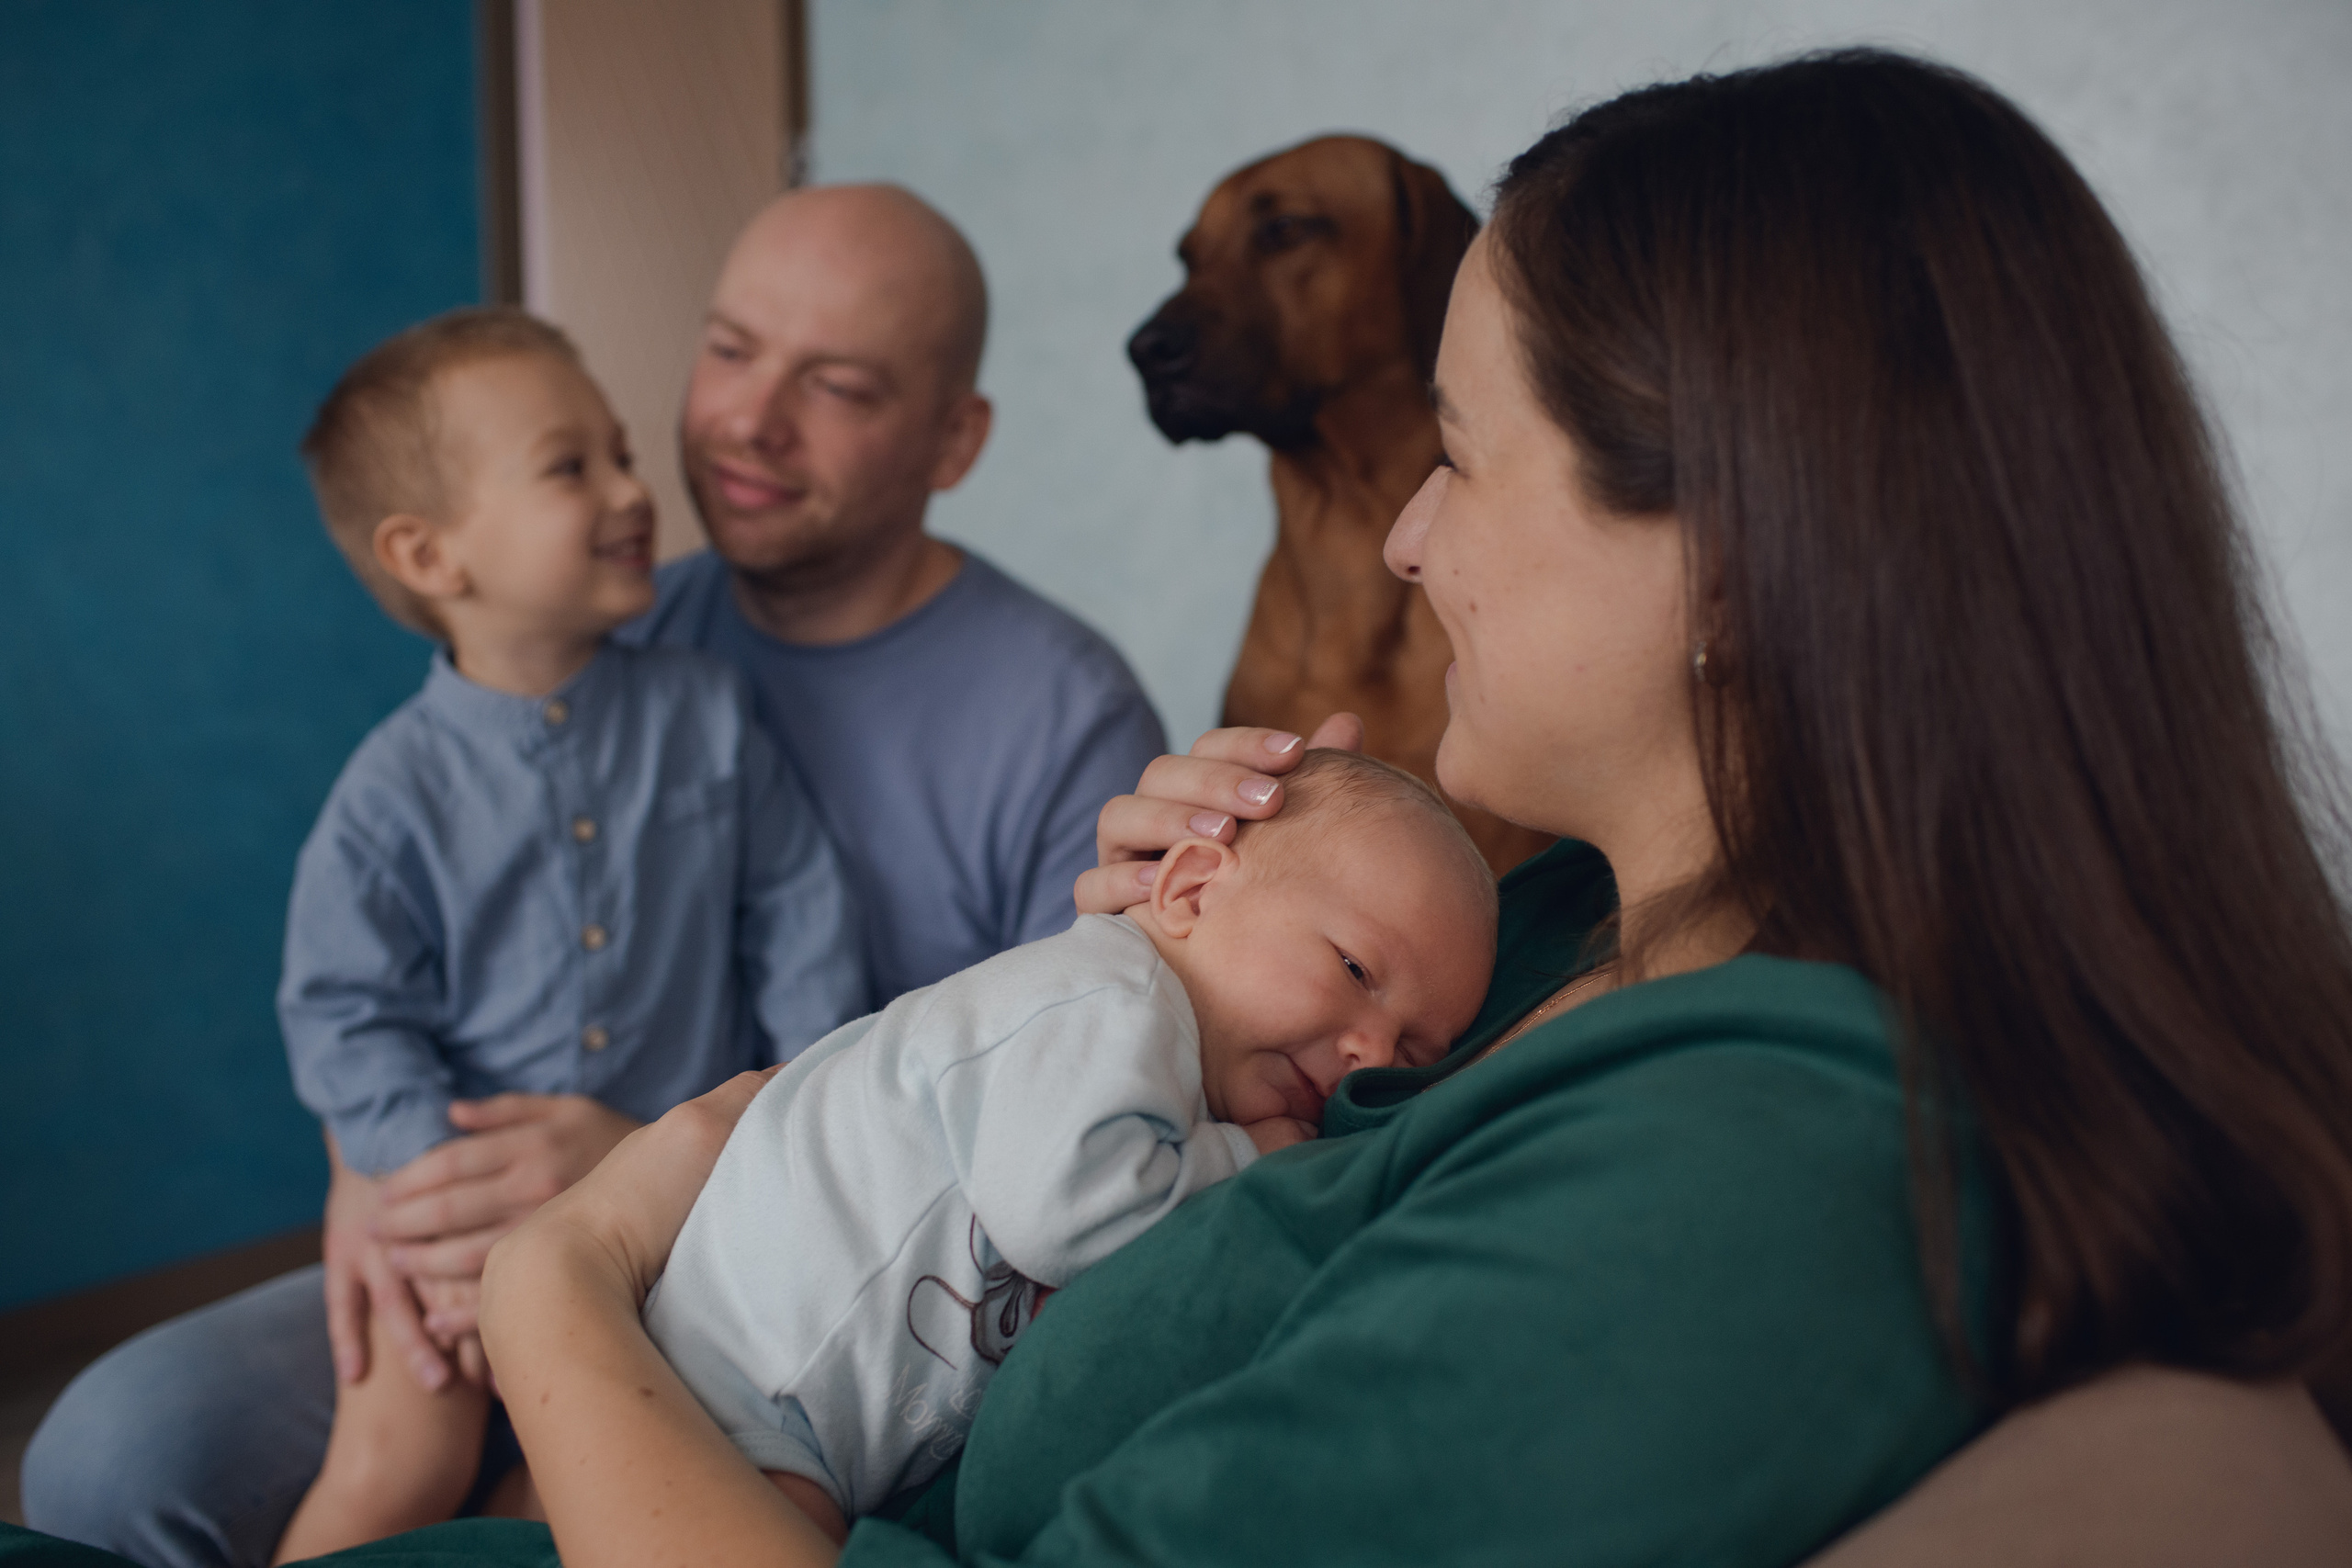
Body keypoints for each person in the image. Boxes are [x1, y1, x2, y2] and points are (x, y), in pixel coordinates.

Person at [17, 45, 2352, 1568]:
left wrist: (568, 1270)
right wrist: (1167, 971)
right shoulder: (1556, 935)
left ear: (1730, 557)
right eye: (721, 360)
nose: (1399, 540)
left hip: (709, 1346)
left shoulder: (1751, 1143)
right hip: (720, 1311)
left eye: (1457, 455)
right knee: (121, 1449)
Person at [22, 186, 1163, 1568]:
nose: (749, 418)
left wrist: (641, 1164)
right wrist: (378, 1180)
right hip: (470, 1212)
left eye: (837, 385)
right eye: (730, 348)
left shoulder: (1065, 718)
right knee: (110, 1452)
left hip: (797, 1279)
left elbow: (1051, 1150)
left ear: (954, 437)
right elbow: (380, 953)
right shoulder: (605, 620)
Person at [259, 308, 865, 1562]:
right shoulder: (388, 795)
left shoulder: (708, 712)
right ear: (430, 552)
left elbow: (800, 921)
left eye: (622, 453)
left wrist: (793, 1126)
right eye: (569, 467)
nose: (634, 491)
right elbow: (344, 1010)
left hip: (678, 1216)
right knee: (391, 1463)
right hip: (457, 1223)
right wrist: (431, 1201)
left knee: (629, 1470)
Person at [644, 749, 1495, 1542]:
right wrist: (1250, 1157)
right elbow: (1067, 1207)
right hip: (752, 1381)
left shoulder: (1152, 1041)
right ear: (1191, 888)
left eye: (1414, 1051)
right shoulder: (1108, 1001)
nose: (1372, 1052)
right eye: (1355, 969)